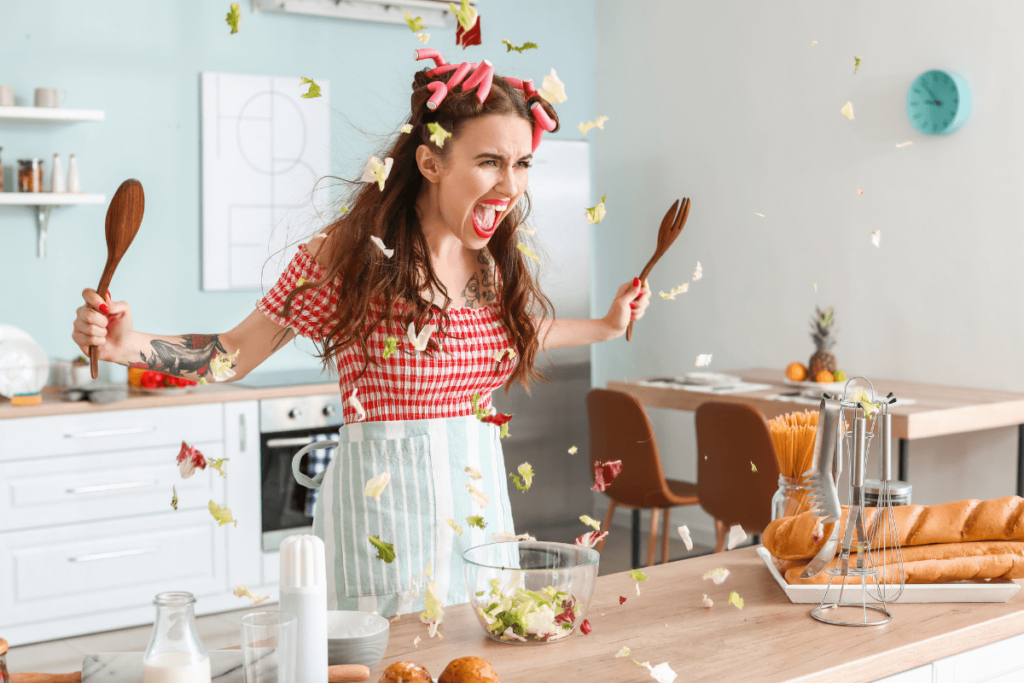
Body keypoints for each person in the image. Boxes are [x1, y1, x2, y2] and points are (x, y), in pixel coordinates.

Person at [72, 51, 652, 615]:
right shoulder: (347, 255)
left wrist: (606, 325)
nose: (511, 185)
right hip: (386, 533)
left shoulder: (491, 263)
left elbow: (514, 333)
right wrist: (129, 344)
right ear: (431, 163)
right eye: (490, 162)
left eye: (522, 163)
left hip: (481, 528)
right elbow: (232, 355)